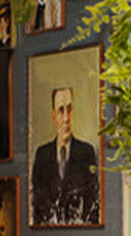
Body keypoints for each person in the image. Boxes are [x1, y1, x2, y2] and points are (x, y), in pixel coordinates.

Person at [31, 86, 99, 225]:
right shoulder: (42, 156)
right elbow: (36, 209)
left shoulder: (86, 153)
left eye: (69, 109)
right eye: (61, 111)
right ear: (54, 117)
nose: (66, 118)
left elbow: (93, 207)